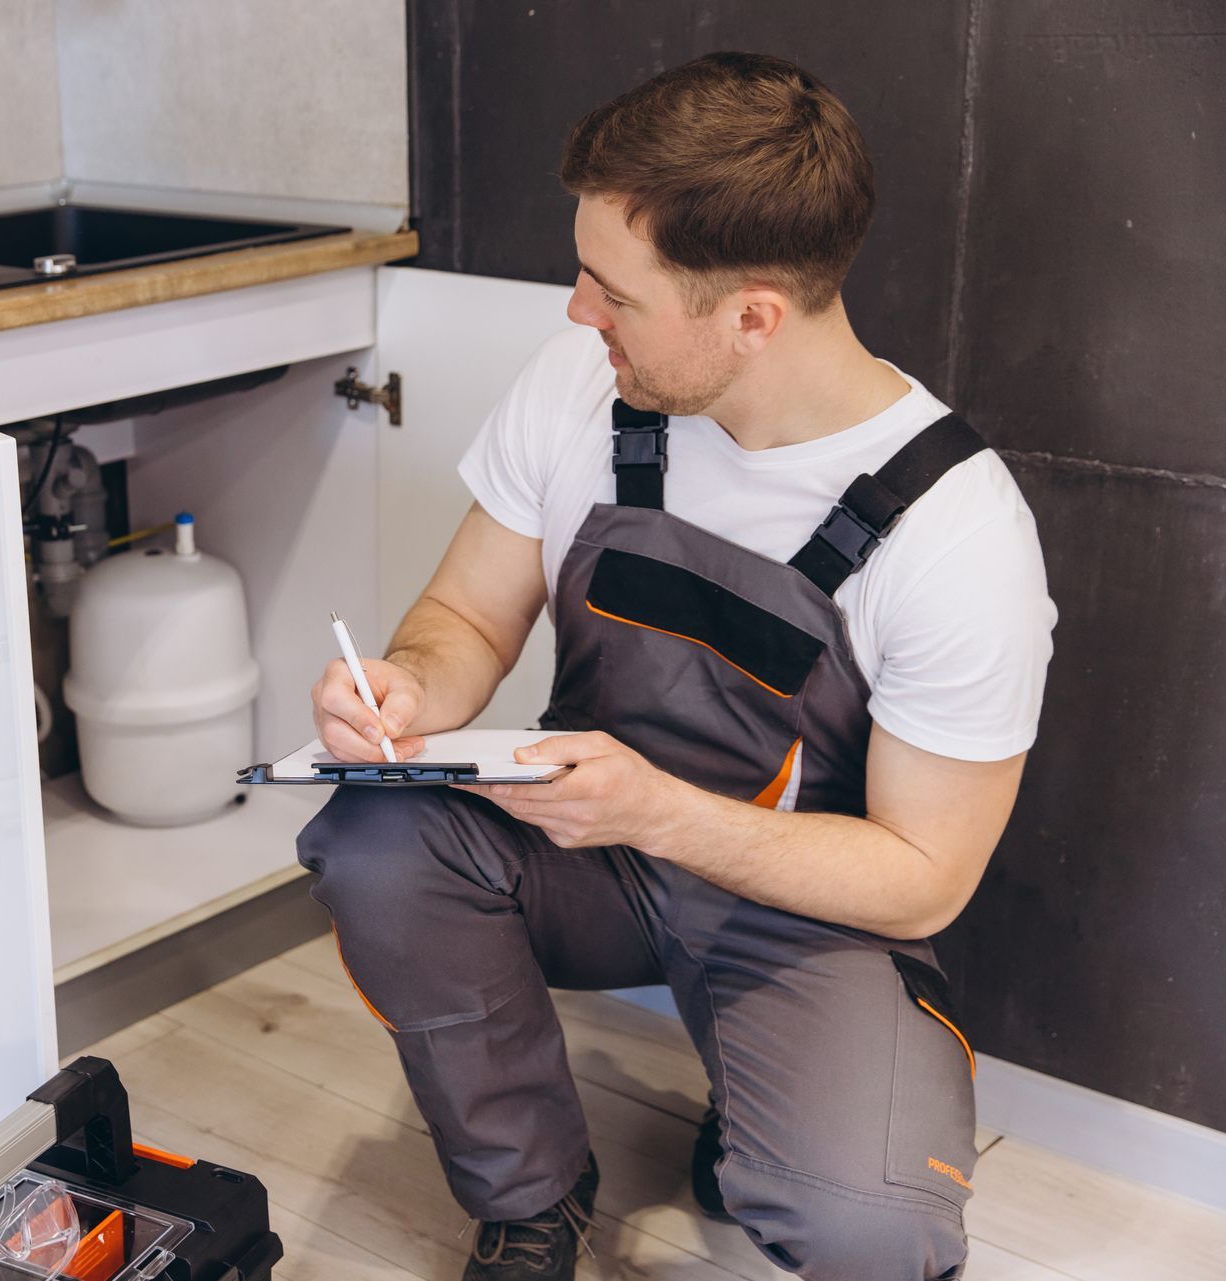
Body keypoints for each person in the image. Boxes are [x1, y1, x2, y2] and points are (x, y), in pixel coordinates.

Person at [296, 52, 1055, 1281]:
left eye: (610, 291)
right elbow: (465, 617)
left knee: (874, 1237)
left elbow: (922, 881)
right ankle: (531, 1191)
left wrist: (657, 810)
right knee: (374, 840)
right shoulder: (588, 387)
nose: (575, 315)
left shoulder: (956, 535)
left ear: (750, 316)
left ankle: (778, 1103)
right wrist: (410, 687)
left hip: (800, 907)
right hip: (583, 854)